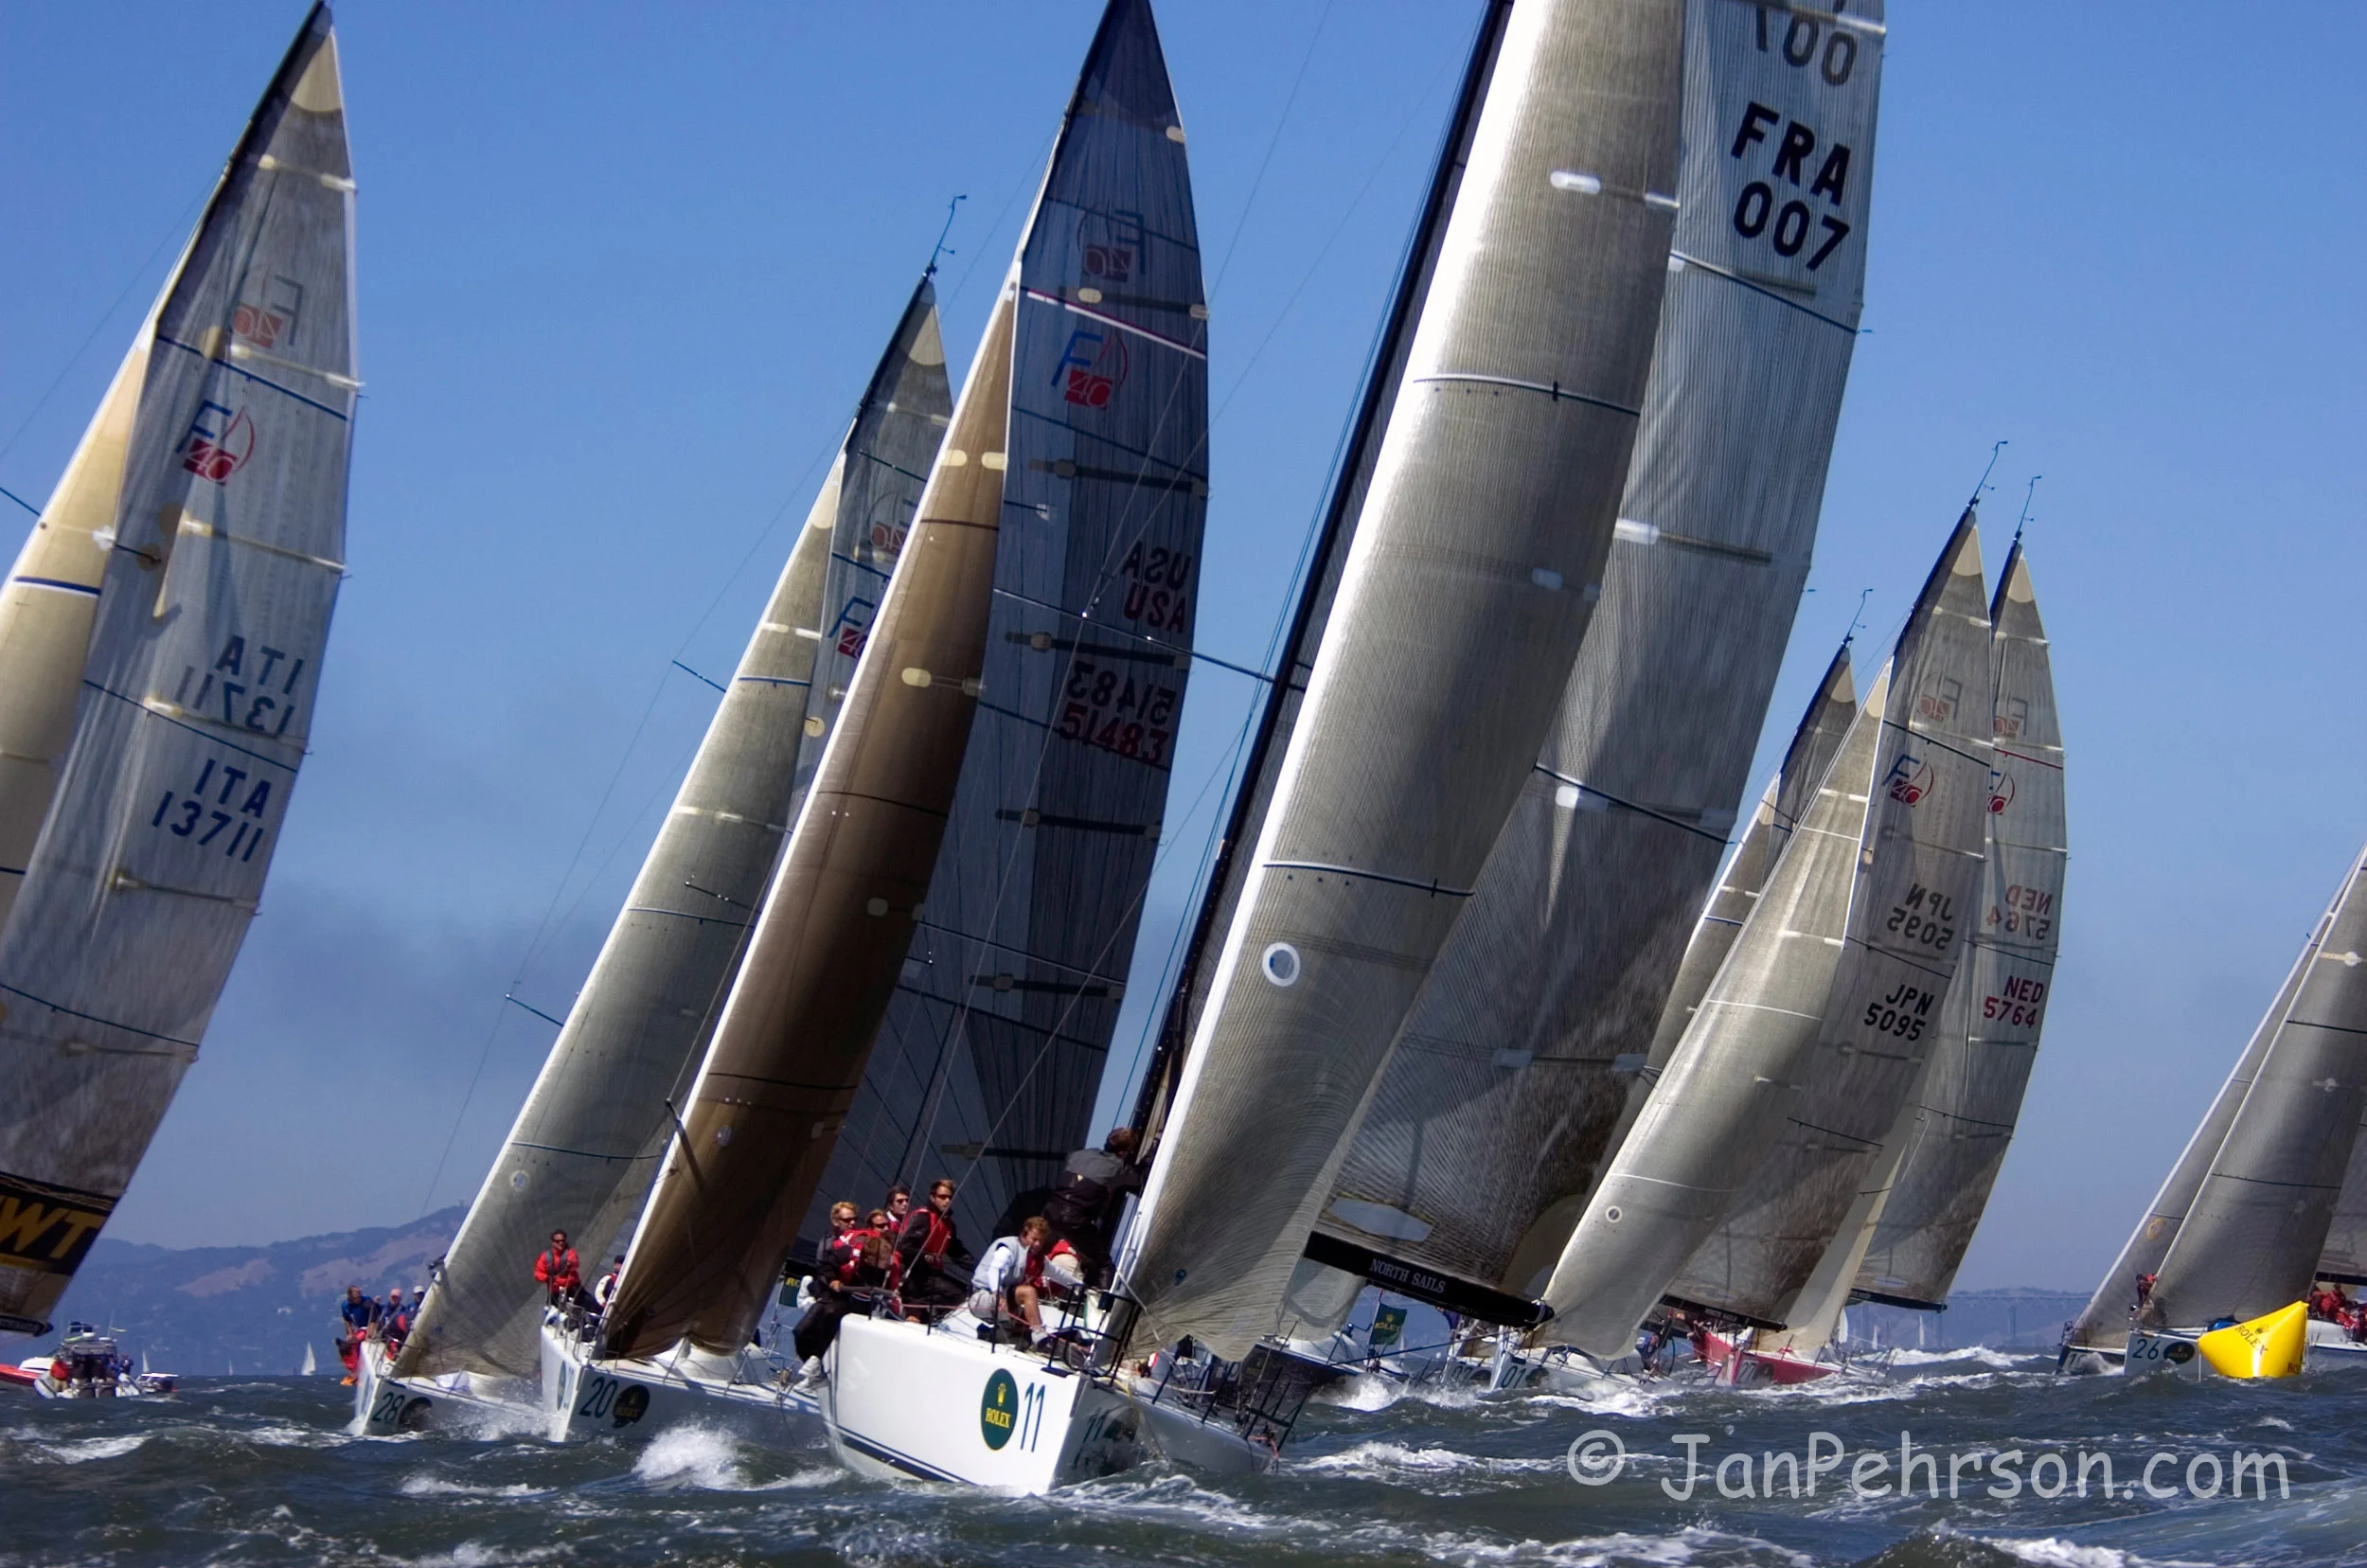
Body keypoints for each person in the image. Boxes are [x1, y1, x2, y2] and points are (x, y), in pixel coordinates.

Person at [1041, 1128, 1145, 1285]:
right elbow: (1139, 1181)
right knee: (1103, 1264)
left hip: (1050, 1213)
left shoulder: (1077, 1154)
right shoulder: (1119, 1168)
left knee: (1042, 1251)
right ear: (1123, 1152)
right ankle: (1102, 1297)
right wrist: (1149, 1156)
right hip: (1075, 1221)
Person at [792, 1232, 899, 1365]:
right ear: (870, 1259)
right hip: (836, 1295)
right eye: (884, 1259)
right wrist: (832, 1279)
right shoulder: (846, 1254)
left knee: (831, 1314)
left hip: (857, 1306)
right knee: (800, 1331)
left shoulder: (888, 1272)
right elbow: (826, 1265)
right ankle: (811, 1361)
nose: (888, 1262)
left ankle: (817, 1359)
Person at [895, 1178, 973, 1318]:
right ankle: (919, 1310)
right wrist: (925, 1256)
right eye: (942, 1197)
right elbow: (904, 1247)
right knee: (956, 1294)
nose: (947, 1201)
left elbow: (957, 1251)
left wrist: (977, 1267)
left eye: (949, 1198)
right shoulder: (923, 1217)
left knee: (963, 1293)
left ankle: (927, 1312)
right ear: (932, 1198)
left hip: (932, 1274)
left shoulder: (948, 1224)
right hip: (914, 1274)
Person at [970, 1218, 1052, 1341]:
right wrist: (997, 1293)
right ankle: (1039, 1335)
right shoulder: (1008, 1247)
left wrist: (1078, 1285)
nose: (1037, 1244)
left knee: (1024, 1326)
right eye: (1034, 1239)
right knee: (1028, 1292)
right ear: (1024, 1234)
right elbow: (995, 1270)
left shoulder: (1034, 1256)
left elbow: (1058, 1273)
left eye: (1041, 1241)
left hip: (1003, 1297)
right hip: (982, 1298)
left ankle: (988, 1335)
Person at [336, 1285, 378, 1384]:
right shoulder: (345, 1305)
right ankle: (352, 1371)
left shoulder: (367, 1302)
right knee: (344, 1346)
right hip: (359, 1328)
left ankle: (356, 1373)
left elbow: (374, 1318)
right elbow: (346, 1320)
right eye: (357, 1293)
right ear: (350, 1296)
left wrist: (370, 1332)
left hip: (369, 1327)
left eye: (360, 1293)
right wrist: (349, 1333)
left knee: (353, 1342)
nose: (360, 1295)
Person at [535, 1230, 583, 1308]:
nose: (561, 1243)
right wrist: (547, 1278)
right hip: (556, 1292)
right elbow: (538, 1273)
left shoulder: (570, 1253)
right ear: (553, 1242)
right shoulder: (545, 1257)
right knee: (552, 1310)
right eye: (558, 1241)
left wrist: (570, 1264)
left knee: (588, 1304)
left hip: (572, 1288)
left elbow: (575, 1263)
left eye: (563, 1241)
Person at [380, 1286, 414, 1353]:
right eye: (393, 1297)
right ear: (389, 1297)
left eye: (396, 1297)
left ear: (400, 1299)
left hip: (397, 1336)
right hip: (385, 1335)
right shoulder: (384, 1308)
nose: (394, 1299)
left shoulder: (403, 1310)